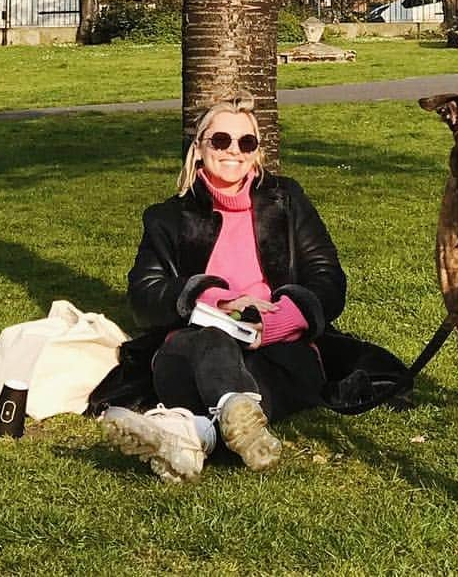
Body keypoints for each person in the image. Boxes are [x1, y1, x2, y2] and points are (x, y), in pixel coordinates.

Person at [102, 96, 347, 482]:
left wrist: (281, 320)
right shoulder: (167, 218)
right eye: (220, 140)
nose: (234, 151)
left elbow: (328, 279)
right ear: (199, 148)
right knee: (211, 342)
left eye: (246, 143)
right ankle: (234, 409)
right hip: (192, 348)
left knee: (262, 371)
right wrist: (217, 301)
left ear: (256, 153)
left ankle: (190, 434)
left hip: (280, 346)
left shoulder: (287, 200)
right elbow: (144, 297)